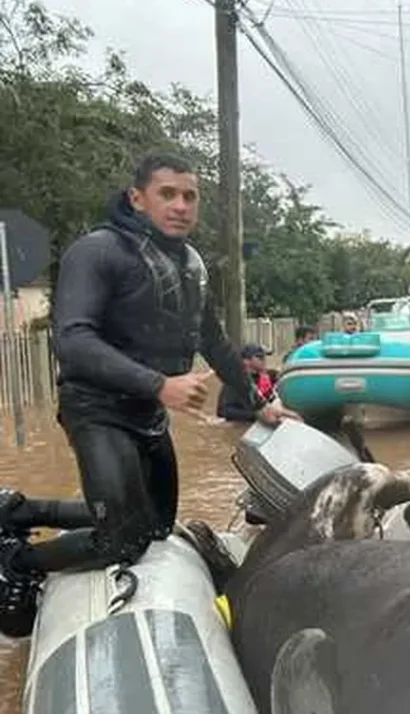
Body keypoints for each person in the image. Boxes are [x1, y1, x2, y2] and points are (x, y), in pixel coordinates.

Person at [0, 153, 299, 638]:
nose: (181, 205)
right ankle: (18, 559)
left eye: (190, 196)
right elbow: (73, 341)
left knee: (157, 524)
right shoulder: (97, 252)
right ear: (137, 198)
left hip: (147, 412)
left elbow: (215, 343)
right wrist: (160, 385)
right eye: (167, 194)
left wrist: (261, 403)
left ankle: (20, 511)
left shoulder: (190, 265)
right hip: (95, 407)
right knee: (122, 537)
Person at [216, 344, 277, 423]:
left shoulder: (269, 376)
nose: (264, 360)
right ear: (246, 361)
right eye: (259, 357)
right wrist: (255, 415)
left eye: (264, 357)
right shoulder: (234, 381)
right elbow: (223, 411)